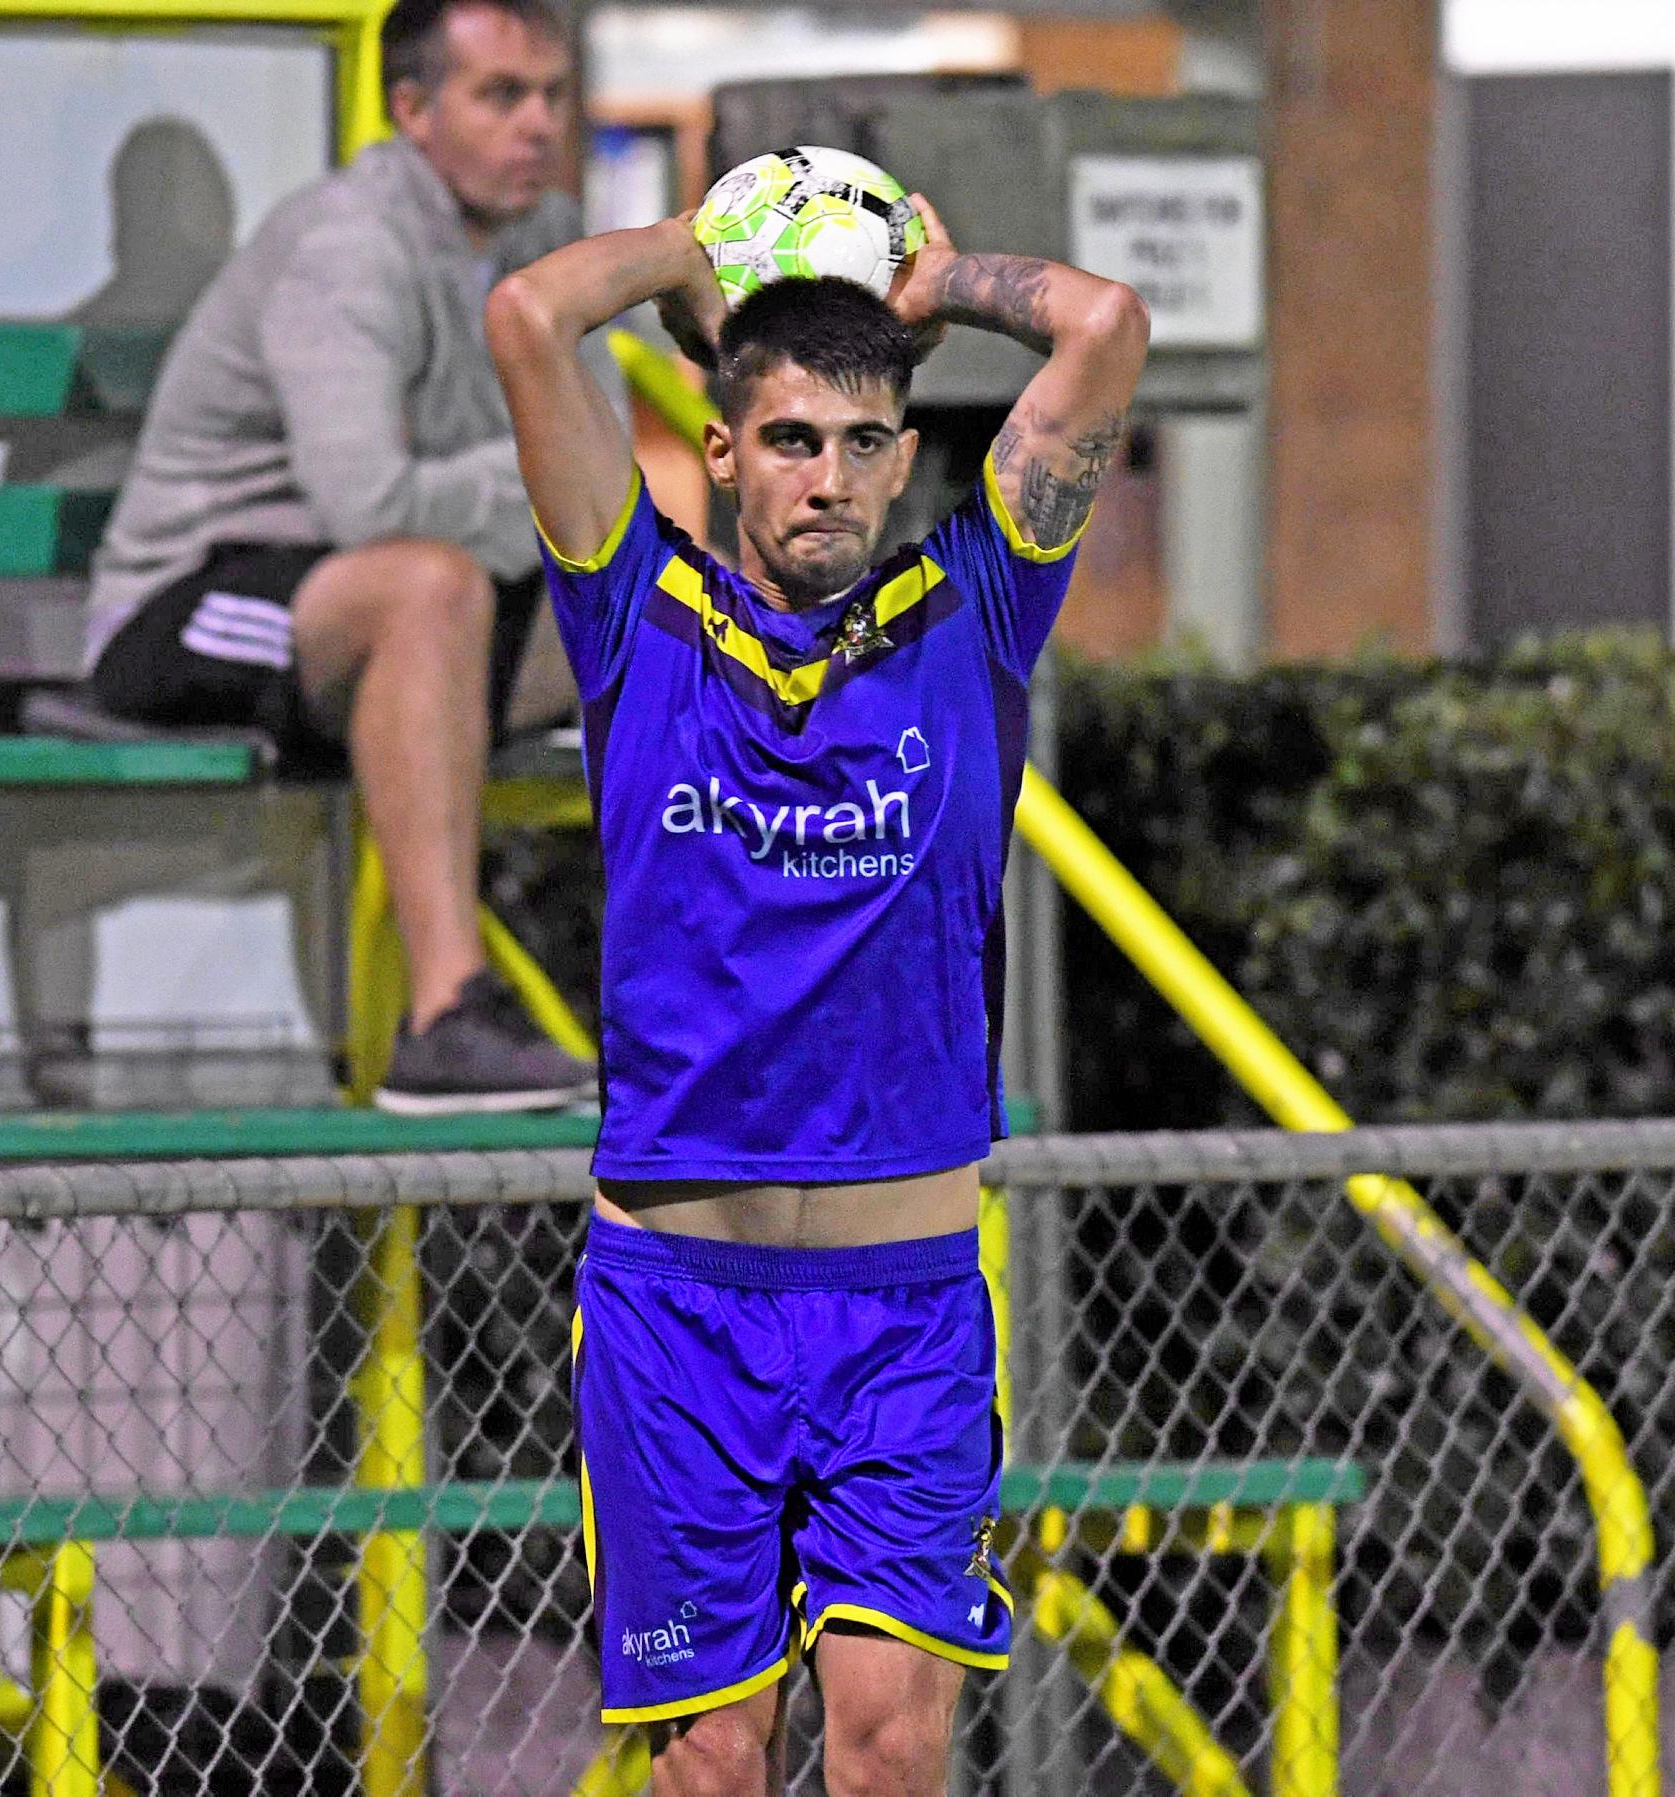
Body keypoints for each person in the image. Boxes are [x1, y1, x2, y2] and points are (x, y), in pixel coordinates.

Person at [485, 194, 1149, 1794]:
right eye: (788, 438)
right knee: (714, 1758)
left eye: (864, 442)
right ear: (720, 450)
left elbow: (1106, 326)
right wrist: (695, 254)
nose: (827, 478)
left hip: (904, 1310)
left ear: (906, 455)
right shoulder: (634, 619)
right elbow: (524, 320)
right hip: (673, 1314)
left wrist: (941, 285)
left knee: (891, 1740)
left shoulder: (971, 618)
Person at [82, 0, 613, 1114]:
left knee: (674, 605)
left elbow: (603, 495)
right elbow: (370, 504)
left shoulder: (554, 243)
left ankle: (719, 1009)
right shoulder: (348, 246)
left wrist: (562, 498)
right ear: (412, 109)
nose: (538, 127)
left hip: (402, 600)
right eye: (501, 96)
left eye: (553, 96)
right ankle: (444, 1016)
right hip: (199, 597)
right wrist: (533, 481)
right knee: (429, 585)